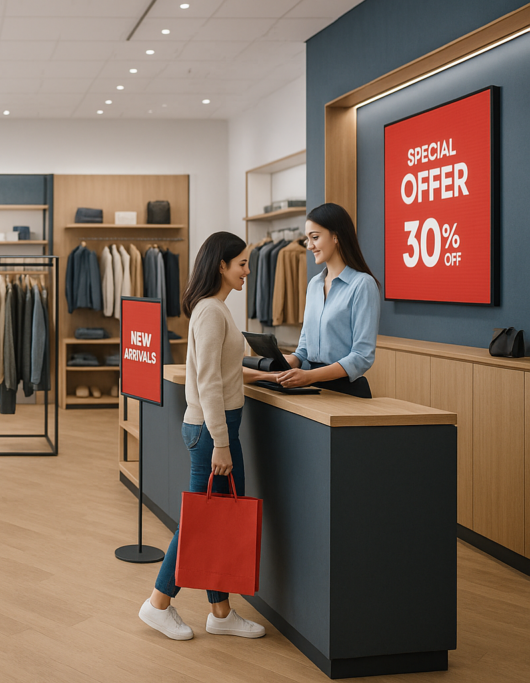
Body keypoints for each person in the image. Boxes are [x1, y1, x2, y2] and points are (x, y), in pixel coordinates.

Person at [139, 231, 266, 641]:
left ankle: (220, 612)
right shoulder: (211, 311)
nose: (248, 271)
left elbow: (222, 372)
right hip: (214, 431)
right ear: (222, 266)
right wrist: (222, 442)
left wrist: (265, 376)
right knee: (201, 523)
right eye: (242, 263)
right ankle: (158, 603)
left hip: (216, 428)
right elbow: (208, 382)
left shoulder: (214, 308)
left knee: (216, 521)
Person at [276, 203, 380, 397]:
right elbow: (305, 346)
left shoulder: (362, 285)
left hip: (345, 391)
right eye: (307, 239)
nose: (309, 246)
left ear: (336, 236)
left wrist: (310, 376)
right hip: (312, 386)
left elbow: (362, 356)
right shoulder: (314, 285)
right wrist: (291, 360)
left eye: (315, 237)